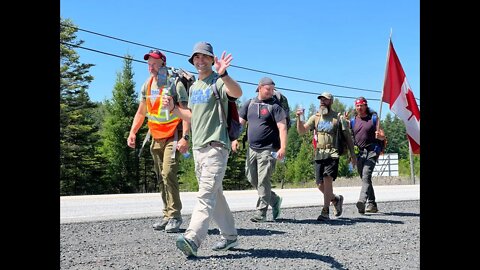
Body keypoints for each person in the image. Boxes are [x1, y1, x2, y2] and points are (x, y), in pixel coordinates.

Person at [164, 41, 243, 257]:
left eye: (204, 57)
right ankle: (230, 237)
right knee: (215, 194)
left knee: (205, 195)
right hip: (199, 149)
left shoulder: (217, 82)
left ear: (211, 59)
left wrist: (225, 74)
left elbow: (237, 92)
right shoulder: (195, 87)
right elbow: (192, 115)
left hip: (216, 145)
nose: (200, 61)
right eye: (196, 58)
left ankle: (192, 238)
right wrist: (174, 110)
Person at [127, 49, 190, 233]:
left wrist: (185, 137)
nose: (151, 66)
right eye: (149, 63)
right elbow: (141, 112)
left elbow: (185, 112)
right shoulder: (147, 86)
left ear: (163, 62)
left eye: (154, 63)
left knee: (168, 173)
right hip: (155, 136)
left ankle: (175, 216)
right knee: (160, 177)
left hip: (173, 135)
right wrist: (133, 132)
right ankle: (166, 215)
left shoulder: (174, 83)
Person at [232, 77, 286, 223]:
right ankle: (274, 200)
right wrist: (235, 138)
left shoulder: (275, 106)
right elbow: (240, 123)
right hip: (252, 149)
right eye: (268, 89)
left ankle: (260, 212)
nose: (271, 92)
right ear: (260, 87)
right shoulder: (249, 103)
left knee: (263, 180)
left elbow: (282, 127)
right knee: (252, 178)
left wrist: (283, 147)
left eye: (273, 89)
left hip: (269, 149)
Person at [296, 92, 356, 221]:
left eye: (325, 100)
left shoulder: (337, 118)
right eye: (321, 100)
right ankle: (335, 199)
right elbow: (302, 131)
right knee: (319, 184)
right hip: (319, 153)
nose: (322, 102)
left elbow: (348, 137)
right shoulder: (315, 117)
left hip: (333, 152)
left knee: (327, 179)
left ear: (331, 102)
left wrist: (353, 154)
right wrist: (299, 119)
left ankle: (325, 210)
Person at [348, 97, 386, 214]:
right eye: (358, 106)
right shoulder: (353, 121)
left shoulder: (374, 119)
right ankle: (372, 204)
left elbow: (383, 136)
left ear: (366, 106)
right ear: (355, 107)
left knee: (366, 175)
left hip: (372, 151)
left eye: (362, 105)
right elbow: (349, 137)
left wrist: (380, 136)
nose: (360, 108)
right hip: (359, 153)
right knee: (365, 179)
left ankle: (362, 201)